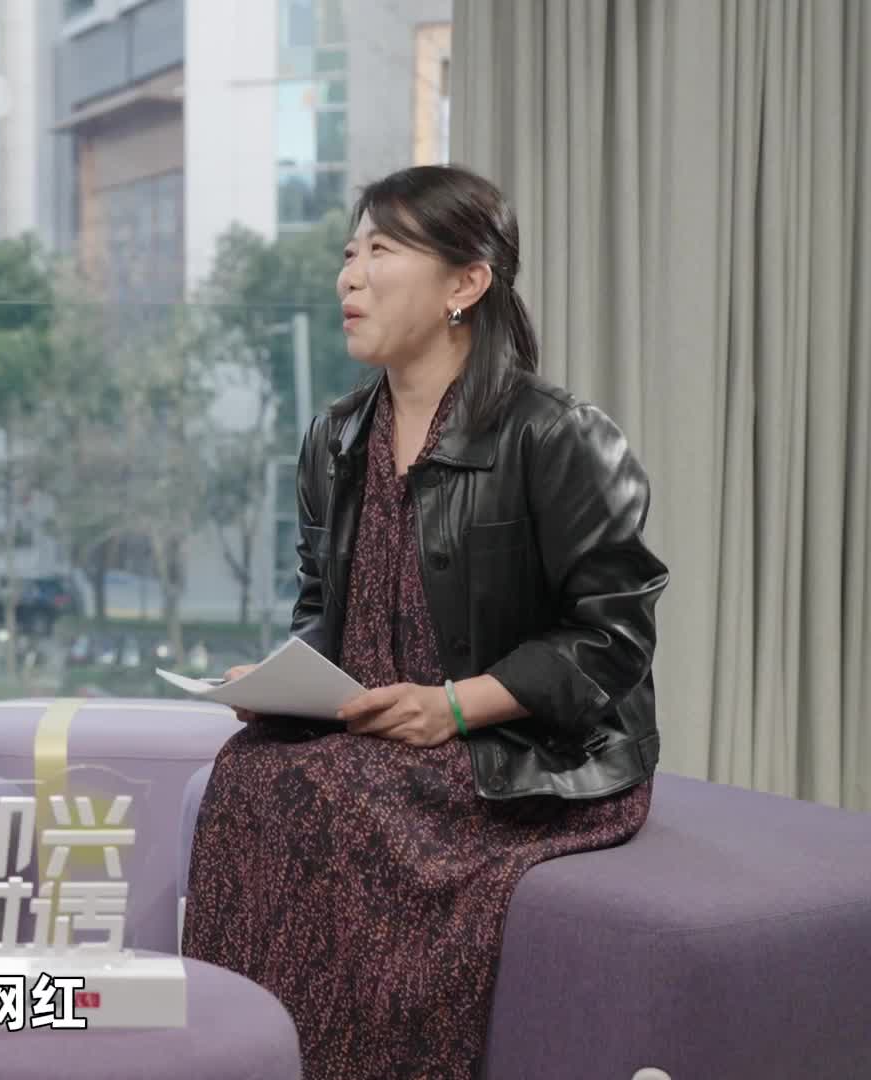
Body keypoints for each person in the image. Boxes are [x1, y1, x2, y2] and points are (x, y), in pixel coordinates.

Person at [181, 164, 668, 1080]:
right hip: (376, 736)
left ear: (465, 283)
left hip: (526, 751)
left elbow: (615, 635)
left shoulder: (555, 435)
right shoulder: (334, 440)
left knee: (343, 802)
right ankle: (246, 1059)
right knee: (246, 773)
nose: (350, 276)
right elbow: (323, 610)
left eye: (382, 251)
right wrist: (283, 683)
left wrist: (454, 706)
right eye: (349, 253)